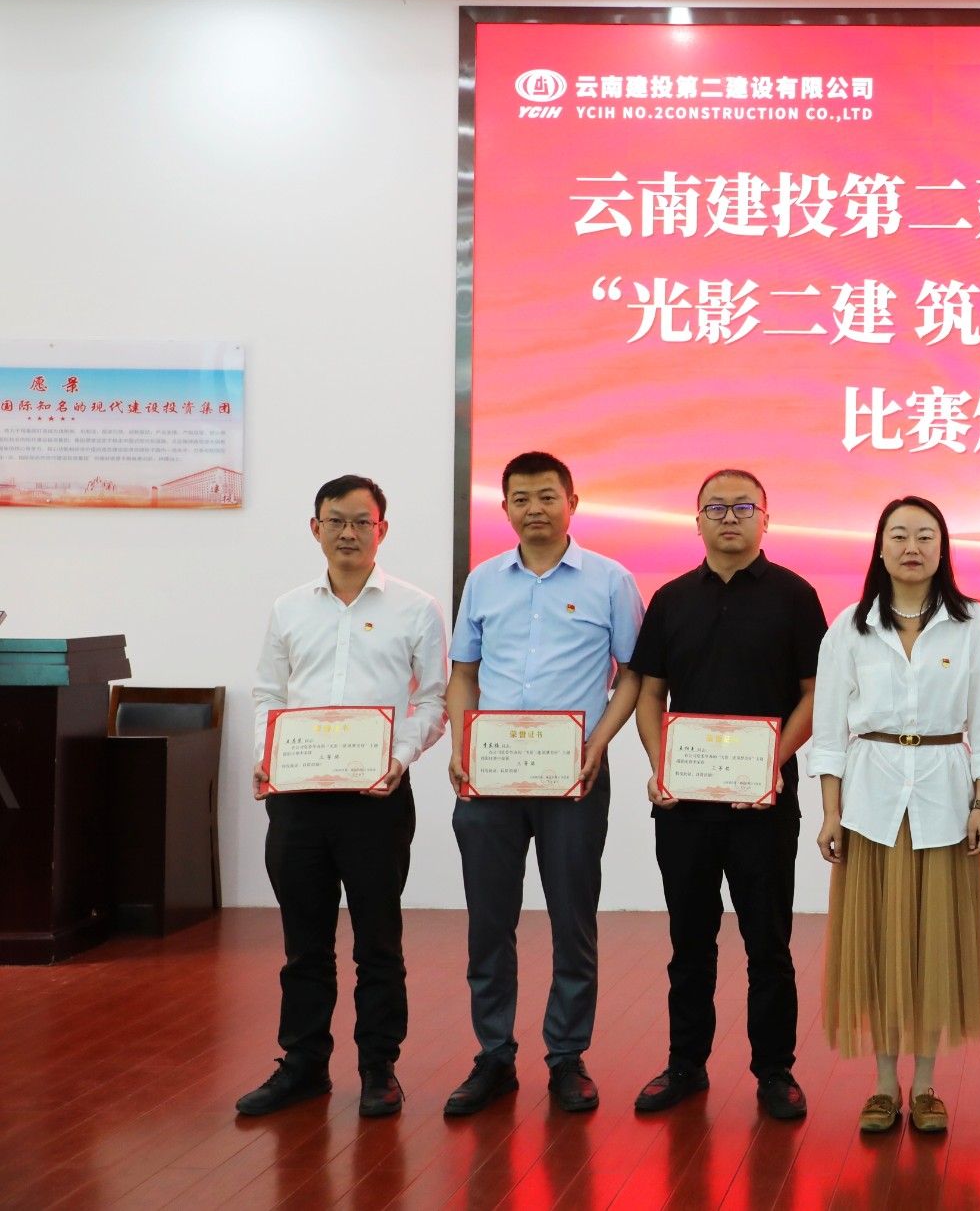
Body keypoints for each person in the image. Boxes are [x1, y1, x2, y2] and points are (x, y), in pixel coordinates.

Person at [236, 475, 447, 1119]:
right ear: (315, 528)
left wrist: (398, 758)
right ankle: (303, 1064)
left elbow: (433, 701)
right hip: (298, 798)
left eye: (361, 521)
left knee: (378, 941)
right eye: (336, 521)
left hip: (375, 799)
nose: (348, 533)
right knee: (304, 942)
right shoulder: (289, 608)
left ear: (383, 529)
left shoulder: (416, 608)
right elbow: (269, 693)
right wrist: (267, 755)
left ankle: (379, 1067)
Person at [443, 451, 644, 1116]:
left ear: (572, 503)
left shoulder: (611, 581)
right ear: (504, 508)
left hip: (573, 777)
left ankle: (566, 1055)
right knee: (488, 922)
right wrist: (462, 743)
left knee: (572, 921)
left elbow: (632, 676)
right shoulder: (483, 580)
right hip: (491, 777)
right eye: (521, 498)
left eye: (547, 496)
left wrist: (599, 743)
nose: (535, 509)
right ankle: (494, 1055)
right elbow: (464, 674)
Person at [628, 469, 827, 1119]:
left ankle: (774, 1070)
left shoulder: (795, 596)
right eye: (716, 507)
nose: (730, 517)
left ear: (766, 518)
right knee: (690, 942)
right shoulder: (670, 599)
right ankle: (685, 1063)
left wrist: (771, 762)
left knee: (768, 944)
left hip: (763, 804)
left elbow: (815, 694)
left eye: (744, 507)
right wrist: (660, 765)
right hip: (683, 805)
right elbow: (650, 693)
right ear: (697, 521)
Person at [807, 496, 980, 1135]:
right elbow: (829, 731)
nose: (912, 547)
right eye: (899, 535)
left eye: (925, 535)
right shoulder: (849, 626)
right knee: (878, 945)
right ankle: (884, 1084)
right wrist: (831, 812)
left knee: (933, 946)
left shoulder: (973, 624)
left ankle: (925, 1086)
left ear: (943, 548)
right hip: (872, 805)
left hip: (945, 801)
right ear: (880, 547)